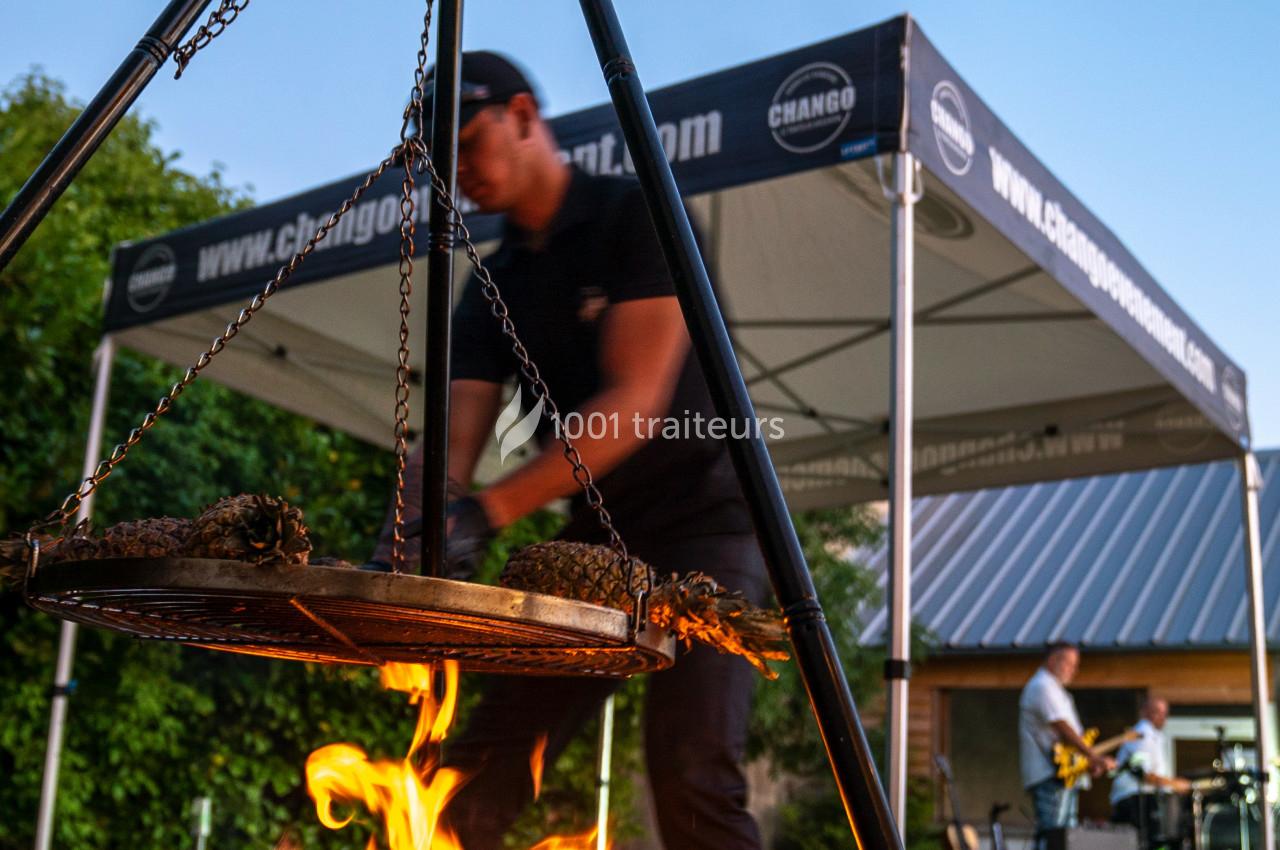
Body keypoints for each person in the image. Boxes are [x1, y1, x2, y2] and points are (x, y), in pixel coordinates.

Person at [367, 52, 768, 849]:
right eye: (437, 161)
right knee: (483, 760)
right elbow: (450, 446)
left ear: (522, 115)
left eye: (467, 143)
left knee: (692, 776)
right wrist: (408, 531)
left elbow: (635, 404)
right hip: (600, 540)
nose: (456, 172)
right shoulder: (494, 280)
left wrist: (482, 513)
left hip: (709, 528)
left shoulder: (635, 216)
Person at [1018, 641, 1114, 850]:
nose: (1074, 670)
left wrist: (1086, 762)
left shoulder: (1056, 690)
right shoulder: (1042, 686)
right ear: (1053, 660)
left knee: (1065, 837)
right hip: (1049, 774)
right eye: (1070, 663)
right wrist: (1093, 756)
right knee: (1053, 836)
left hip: (1064, 776)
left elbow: (1068, 744)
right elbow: (1062, 727)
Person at [1110, 698, 1190, 848]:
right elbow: (1146, 775)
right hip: (1134, 801)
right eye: (1157, 712)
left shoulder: (1155, 736)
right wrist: (1176, 784)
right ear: (1144, 712)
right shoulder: (1142, 734)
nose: (1162, 717)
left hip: (1144, 800)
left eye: (1165, 713)